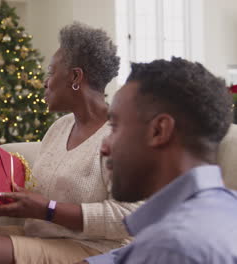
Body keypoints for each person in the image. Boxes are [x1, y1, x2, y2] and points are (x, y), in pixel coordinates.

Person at [0, 22, 141, 264]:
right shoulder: (59, 128)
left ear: (76, 77)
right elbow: (39, 194)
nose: (45, 82)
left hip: (91, 246)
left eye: (50, 72)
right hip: (44, 236)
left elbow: (129, 215)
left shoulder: (116, 135)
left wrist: (49, 209)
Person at [85, 57, 237, 263]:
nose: (104, 148)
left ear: (159, 130)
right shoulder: (227, 210)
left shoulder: (170, 246)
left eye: (114, 127)